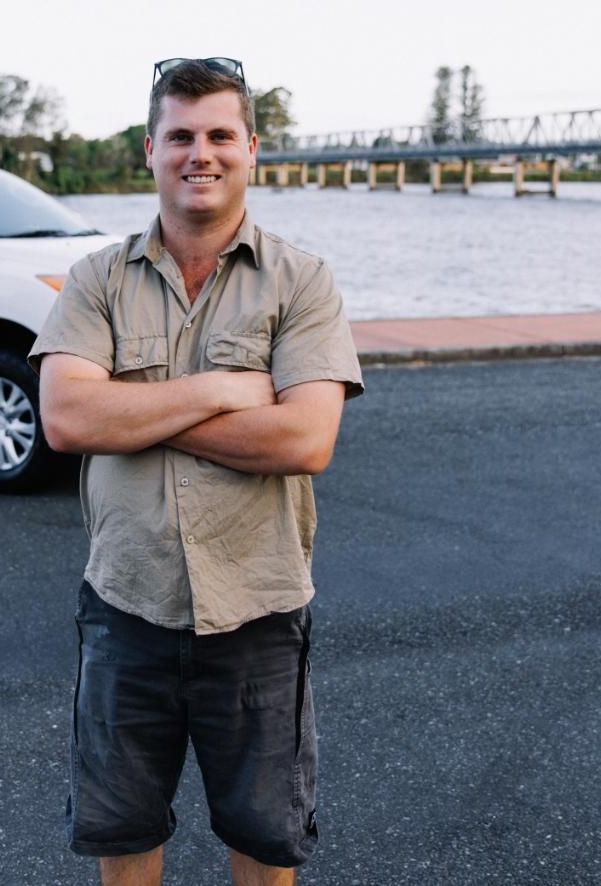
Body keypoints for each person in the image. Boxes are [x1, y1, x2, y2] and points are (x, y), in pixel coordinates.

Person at [29, 57, 363, 885]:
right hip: (127, 605)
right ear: (150, 149)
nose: (199, 153)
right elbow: (69, 419)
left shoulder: (301, 281)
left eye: (219, 134)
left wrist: (137, 412)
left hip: (257, 610)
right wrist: (218, 391)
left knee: (263, 839)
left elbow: (304, 440)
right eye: (180, 135)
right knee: (124, 832)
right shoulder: (96, 281)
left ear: (252, 148)